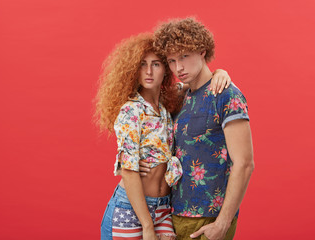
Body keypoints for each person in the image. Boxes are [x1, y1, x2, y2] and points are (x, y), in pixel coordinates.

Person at [94, 33, 232, 240]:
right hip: (131, 209)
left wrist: (220, 72)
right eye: (142, 64)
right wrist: (147, 227)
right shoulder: (131, 111)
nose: (149, 71)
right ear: (133, 69)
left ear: (166, 69)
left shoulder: (170, 103)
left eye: (156, 64)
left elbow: (199, 83)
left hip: (163, 209)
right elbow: (129, 171)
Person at [140, 17, 255, 240]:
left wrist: (222, 224)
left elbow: (245, 163)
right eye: (172, 61)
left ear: (202, 51)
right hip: (171, 215)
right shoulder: (179, 97)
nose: (178, 67)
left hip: (209, 219)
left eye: (184, 56)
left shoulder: (227, 95)